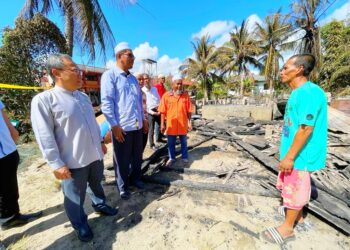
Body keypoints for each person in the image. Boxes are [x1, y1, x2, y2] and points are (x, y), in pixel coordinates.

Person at [31, 54, 118, 242]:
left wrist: (101, 143)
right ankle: (80, 224)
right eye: (74, 70)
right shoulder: (45, 100)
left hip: (94, 156)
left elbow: (93, 124)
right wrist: (56, 163)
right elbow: (44, 135)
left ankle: (100, 205)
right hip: (72, 162)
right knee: (74, 197)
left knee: (96, 185)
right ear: (57, 73)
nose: (80, 74)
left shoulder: (83, 97)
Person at [260, 54, 327, 245]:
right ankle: (297, 217)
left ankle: (287, 229)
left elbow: (306, 129)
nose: (282, 72)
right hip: (295, 152)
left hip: (301, 154)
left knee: (295, 187)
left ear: (299, 69)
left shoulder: (309, 93)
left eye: (285, 68)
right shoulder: (298, 92)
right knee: (291, 185)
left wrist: (289, 157)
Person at [101, 42, 148, 200]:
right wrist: (114, 125)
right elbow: (107, 103)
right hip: (122, 128)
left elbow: (138, 104)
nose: (133, 58)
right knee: (122, 158)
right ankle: (123, 186)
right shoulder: (110, 76)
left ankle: (136, 179)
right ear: (119, 56)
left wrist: (144, 120)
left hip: (137, 125)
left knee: (137, 156)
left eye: (133, 55)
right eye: (130, 55)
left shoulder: (133, 79)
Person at [0, 101, 42, 231]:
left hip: (7, 147)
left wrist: (12, 130)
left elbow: (2, 112)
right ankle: (7, 217)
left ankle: (11, 216)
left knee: (10, 185)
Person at [158, 74, 193, 167]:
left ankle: (184, 158)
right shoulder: (166, 96)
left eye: (181, 84)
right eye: (177, 84)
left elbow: (189, 110)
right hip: (171, 125)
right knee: (171, 143)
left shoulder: (185, 96)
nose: (179, 86)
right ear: (173, 84)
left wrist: (189, 122)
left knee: (184, 142)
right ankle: (171, 158)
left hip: (183, 124)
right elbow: (162, 111)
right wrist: (162, 124)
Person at [142, 73, 161, 150]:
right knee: (151, 129)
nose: (146, 80)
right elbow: (144, 106)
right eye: (144, 79)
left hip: (157, 108)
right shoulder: (142, 90)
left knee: (159, 126)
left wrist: (159, 108)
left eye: (147, 78)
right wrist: (153, 113)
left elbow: (158, 99)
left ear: (149, 79)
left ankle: (158, 139)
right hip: (149, 112)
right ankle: (152, 144)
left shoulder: (154, 89)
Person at [135, 72, 149, 153]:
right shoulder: (131, 93)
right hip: (136, 122)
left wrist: (146, 121)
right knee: (137, 141)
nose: (141, 81)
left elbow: (145, 108)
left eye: (142, 79)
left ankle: (140, 157)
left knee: (144, 139)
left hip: (145, 120)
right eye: (139, 79)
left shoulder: (143, 93)